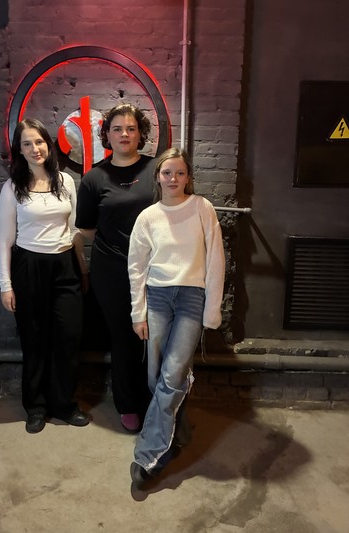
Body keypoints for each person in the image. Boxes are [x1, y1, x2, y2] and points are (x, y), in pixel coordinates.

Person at [128, 147, 225, 489]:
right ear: (158, 177)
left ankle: (149, 456)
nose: (173, 179)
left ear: (188, 177)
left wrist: (212, 309)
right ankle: (178, 431)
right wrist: (137, 312)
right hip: (156, 297)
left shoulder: (202, 208)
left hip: (190, 298)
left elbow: (216, 259)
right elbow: (136, 267)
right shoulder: (148, 217)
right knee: (157, 376)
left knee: (171, 375)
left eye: (180, 173)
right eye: (167, 173)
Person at [0, 118, 90, 434]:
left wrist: (82, 268)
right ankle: (35, 407)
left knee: (68, 337)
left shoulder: (66, 182)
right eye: (27, 143)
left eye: (39, 141)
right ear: (20, 150)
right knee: (34, 339)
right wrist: (6, 285)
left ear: (48, 144)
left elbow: (74, 230)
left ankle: (64, 404)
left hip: (65, 265)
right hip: (29, 267)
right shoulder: (13, 188)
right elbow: (5, 241)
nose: (34, 148)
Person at [76, 103, 157, 432]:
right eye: (118, 129)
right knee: (124, 337)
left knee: (157, 335)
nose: (125, 134)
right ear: (107, 135)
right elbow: (87, 228)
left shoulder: (158, 169)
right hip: (112, 270)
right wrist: (121, 247)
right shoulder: (94, 178)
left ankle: (157, 402)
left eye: (131, 129)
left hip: (157, 267)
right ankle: (128, 404)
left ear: (140, 134)